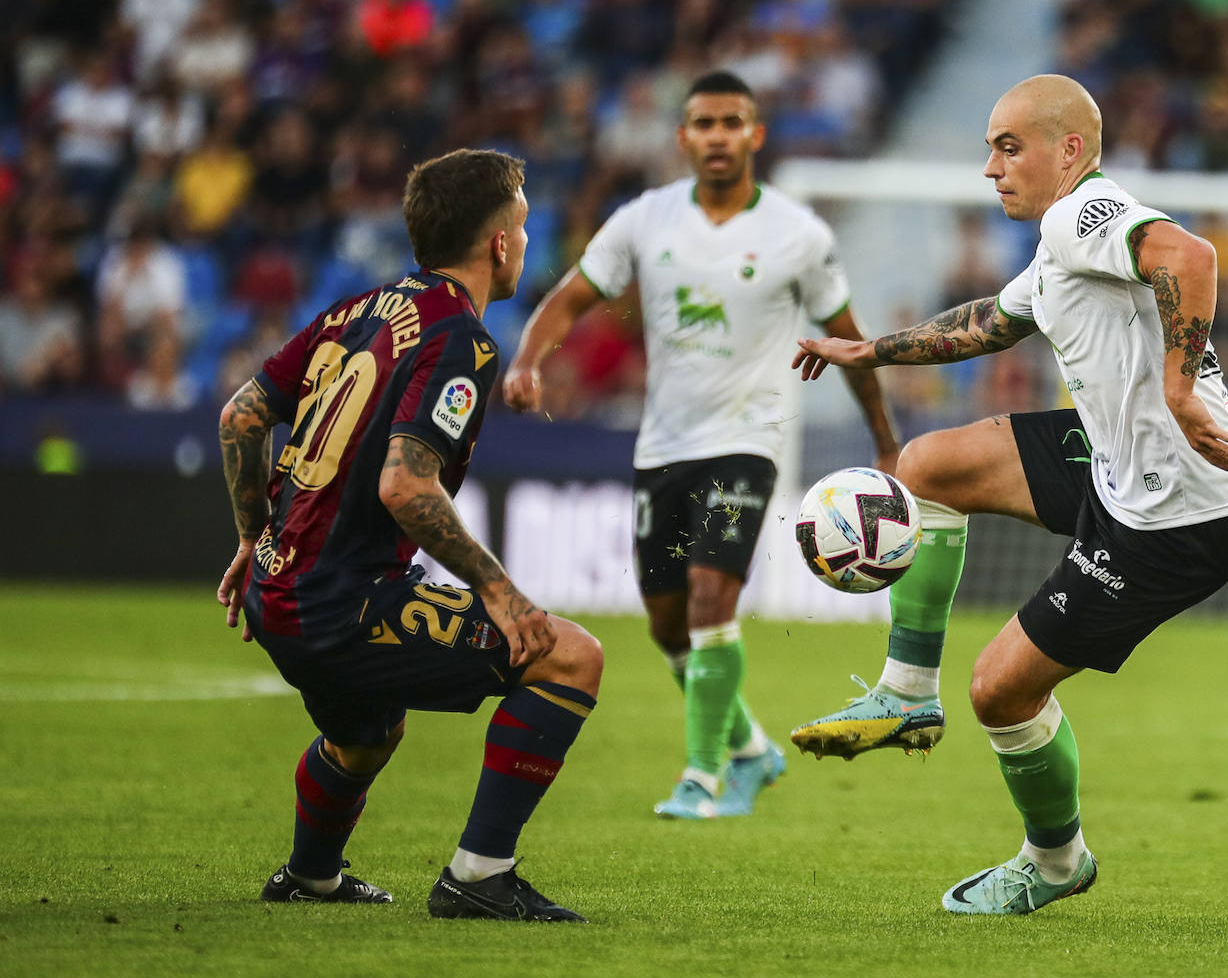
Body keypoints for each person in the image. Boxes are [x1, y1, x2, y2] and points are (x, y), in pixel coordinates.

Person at [789, 74, 1228, 914]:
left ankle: (1055, 862)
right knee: (927, 466)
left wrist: (1180, 388)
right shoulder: (1058, 243)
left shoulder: (1086, 214)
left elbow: (1191, 256)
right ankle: (903, 693)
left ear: (1069, 151)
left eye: (1009, 147)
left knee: (1000, 691)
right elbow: (990, 321)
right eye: (988, 149)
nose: (990, 167)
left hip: (1173, 516)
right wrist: (875, 352)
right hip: (1120, 466)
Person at [502, 70, 901, 820]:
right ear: (683, 137)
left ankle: (704, 776)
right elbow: (570, 298)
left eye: (732, 122)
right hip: (663, 448)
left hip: (746, 444)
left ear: (755, 134)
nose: (718, 135)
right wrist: (528, 359)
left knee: (713, 598)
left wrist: (884, 437)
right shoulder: (644, 221)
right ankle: (751, 747)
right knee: (666, 623)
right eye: (704, 123)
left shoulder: (797, 234)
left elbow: (850, 340)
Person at [216, 148, 603, 922]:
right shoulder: (460, 337)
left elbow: (241, 416)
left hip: (273, 590)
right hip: (340, 602)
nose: (526, 240)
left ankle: (311, 877)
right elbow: (405, 484)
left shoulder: (353, 311)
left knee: (367, 732)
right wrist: (501, 592)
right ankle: (479, 876)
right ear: (499, 244)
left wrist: (255, 536)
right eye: (523, 225)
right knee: (567, 655)